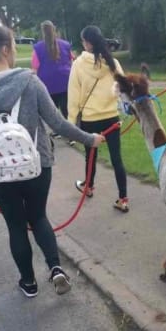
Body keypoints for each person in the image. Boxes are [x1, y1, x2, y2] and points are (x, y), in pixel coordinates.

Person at [0, 25, 105, 298]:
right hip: (37, 165)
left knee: (16, 225)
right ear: (4, 49)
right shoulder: (29, 81)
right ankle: (55, 268)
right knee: (38, 217)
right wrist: (90, 139)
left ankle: (29, 283)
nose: (14, 50)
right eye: (13, 46)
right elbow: (58, 124)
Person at [68, 25, 129, 212]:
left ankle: (89, 187)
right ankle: (123, 198)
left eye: (83, 41)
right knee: (116, 158)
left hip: (90, 119)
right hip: (111, 117)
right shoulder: (113, 63)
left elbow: (73, 94)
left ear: (87, 42)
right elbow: (123, 88)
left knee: (91, 157)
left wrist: (70, 123)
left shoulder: (78, 64)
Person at [32, 20, 75, 145]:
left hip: (47, 84)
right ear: (54, 30)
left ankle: (57, 131)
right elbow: (72, 61)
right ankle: (71, 136)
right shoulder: (65, 45)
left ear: (42, 32)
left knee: (51, 112)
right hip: (65, 81)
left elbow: (35, 67)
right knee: (67, 110)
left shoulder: (38, 47)